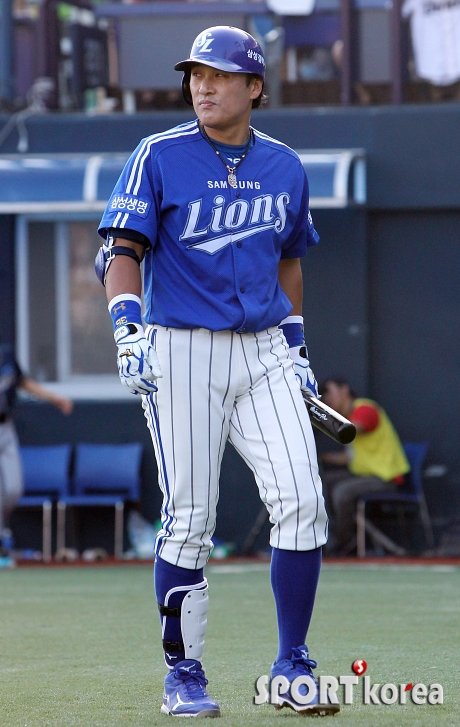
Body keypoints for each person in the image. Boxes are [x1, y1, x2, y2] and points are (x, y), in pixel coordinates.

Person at [96, 26, 338, 717]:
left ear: (254, 87)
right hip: (182, 347)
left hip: (264, 349)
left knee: (303, 500)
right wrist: (127, 329)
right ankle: (184, 674)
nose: (202, 86)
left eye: (220, 75)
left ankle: (292, 665)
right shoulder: (159, 154)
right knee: (191, 517)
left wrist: (297, 349)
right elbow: (120, 250)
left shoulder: (285, 166)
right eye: (196, 74)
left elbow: (289, 259)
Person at [0, 340, 73, 568]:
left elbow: (22, 382)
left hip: (5, 427)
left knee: (13, 488)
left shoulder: (5, 354)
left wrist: (54, 398)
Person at [319, 377, 410, 556]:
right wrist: (321, 457)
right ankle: (328, 532)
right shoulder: (347, 418)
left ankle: (342, 543)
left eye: (330, 393)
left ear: (344, 390)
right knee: (322, 482)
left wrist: (319, 418)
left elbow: (353, 429)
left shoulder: (364, 408)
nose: (328, 399)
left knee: (342, 492)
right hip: (363, 473)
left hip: (385, 477)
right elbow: (349, 458)